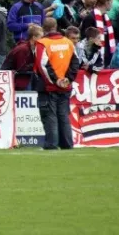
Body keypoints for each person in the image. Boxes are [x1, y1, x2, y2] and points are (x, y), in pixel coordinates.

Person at [34, 18, 79, 150]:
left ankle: (51, 144)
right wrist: (68, 79)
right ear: (56, 27)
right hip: (65, 86)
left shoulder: (42, 43)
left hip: (49, 87)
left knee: (50, 115)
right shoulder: (68, 43)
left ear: (44, 29)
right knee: (63, 115)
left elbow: (43, 65)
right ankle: (66, 144)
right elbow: (75, 62)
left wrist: (55, 80)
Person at [2, 25, 43, 90]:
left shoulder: (31, 48)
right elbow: (21, 68)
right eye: (41, 37)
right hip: (14, 81)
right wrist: (37, 65)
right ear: (34, 37)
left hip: (20, 79)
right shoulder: (23, 49)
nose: (42, 40)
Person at [80, 0, 115, 66]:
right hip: (94, 58)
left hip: (107, 56)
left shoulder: (107, 18)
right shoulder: (90, 17)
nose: (112, 5)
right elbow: (85, 38)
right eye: (111, 2)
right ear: (106, 2)